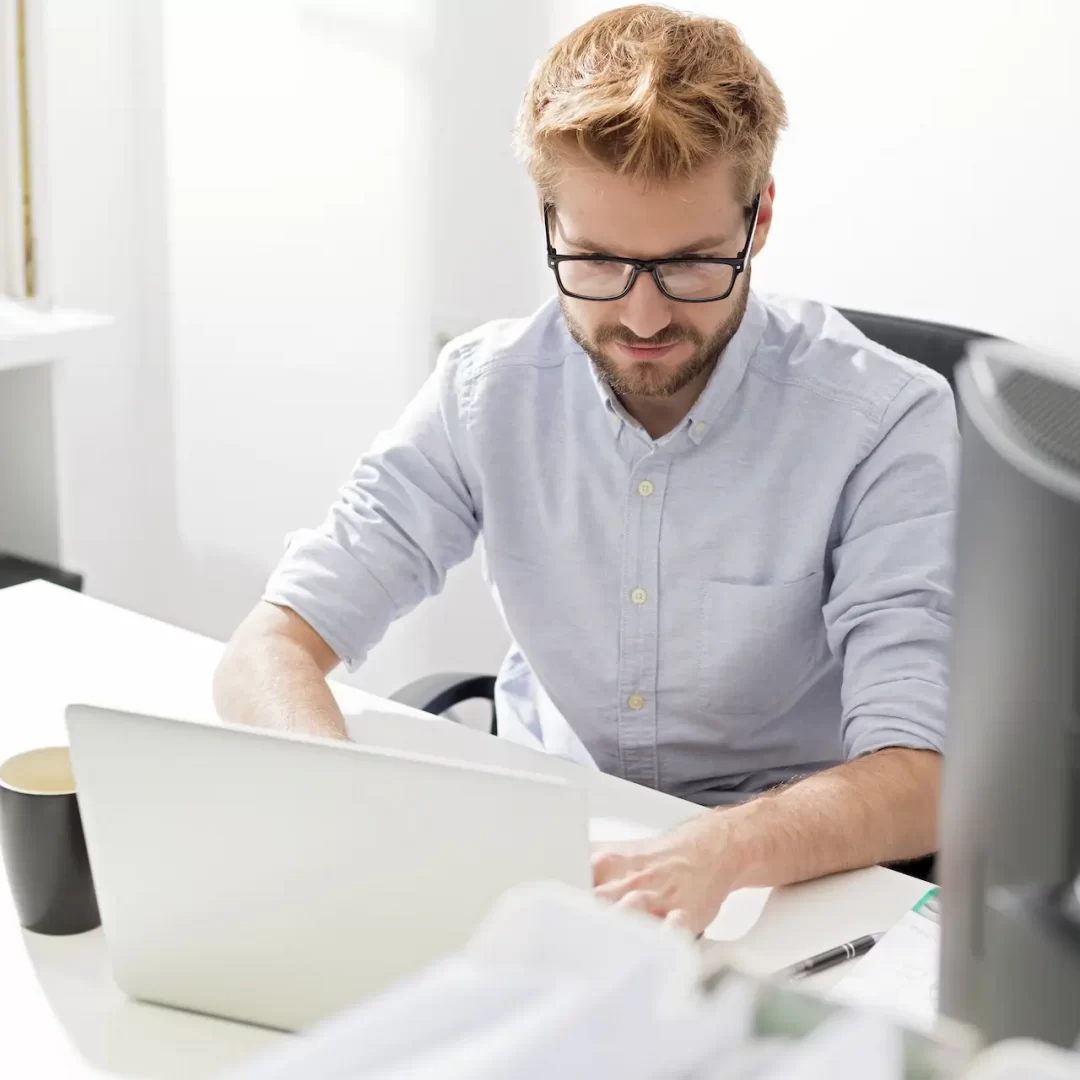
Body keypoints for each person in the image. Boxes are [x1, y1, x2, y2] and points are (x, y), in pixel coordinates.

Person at [214, 5, 957, 935]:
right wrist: (350, 804)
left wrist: (720, 848)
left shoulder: (885, 422)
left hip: (780, 884)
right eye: (598, 261)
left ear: (759, 218)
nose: (643, 319)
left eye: (689, 265)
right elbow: (267, 650)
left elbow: (923, 776)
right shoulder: (487, 390)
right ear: (548, 220)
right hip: (542, 856)